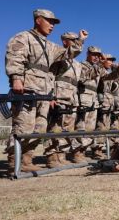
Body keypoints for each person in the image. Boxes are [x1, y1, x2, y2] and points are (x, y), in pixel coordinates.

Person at [5, 9, 87, 174]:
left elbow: (68, 53)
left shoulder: (50, 46)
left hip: (44, 91)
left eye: (54, 23)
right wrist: (16, 78)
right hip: (26, 88)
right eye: (50, 22)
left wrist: (80, 41)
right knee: (23, 126)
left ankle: (27, 160)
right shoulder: (23, 37)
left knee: (40, 128)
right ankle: (15, 161)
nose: (52, 26)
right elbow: (14, 57)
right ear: (38, 20)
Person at [73, 47, 119, 162]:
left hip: (93, 100)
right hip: (83, 98)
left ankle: (84, 151)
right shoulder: (82, 65)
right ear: (87, 54)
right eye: (94, 55)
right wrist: (99, 65)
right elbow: (83, 78)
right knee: (81, 127)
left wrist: (118, 70)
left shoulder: (98, 68)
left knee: (90, 128)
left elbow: (108, 77)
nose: (96, 57)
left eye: (98, 55)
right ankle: (77, 152)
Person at [45, 31, 84, 168]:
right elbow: (50, 76)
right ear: (64, 41)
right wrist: (50, 96)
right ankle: (51, 157)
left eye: (76, 40)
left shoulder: (78, 64)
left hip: (72, 98)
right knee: (55, 127)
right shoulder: (59, 57)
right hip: (59, 96)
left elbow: (84, 80)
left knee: (67, 129)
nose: (74, 42)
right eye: (72, 40)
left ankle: (61, 156)